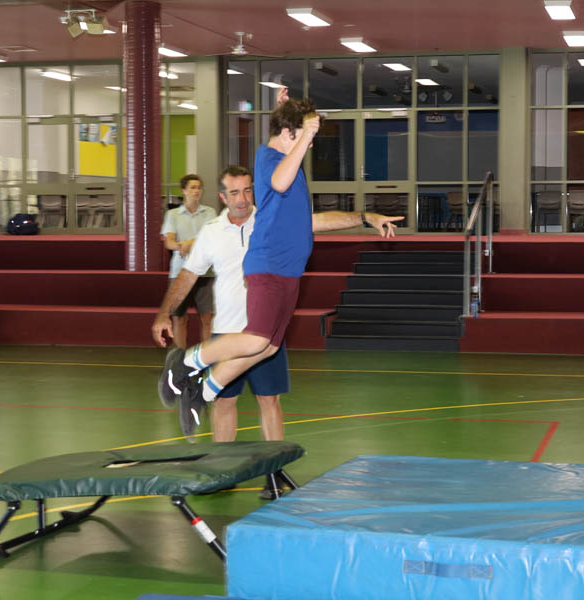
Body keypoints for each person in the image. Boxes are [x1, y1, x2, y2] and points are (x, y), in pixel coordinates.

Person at [160, 98, 403, 432]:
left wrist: (366, 217)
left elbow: (311, 218)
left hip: (289, 272)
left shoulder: (287, 163)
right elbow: (278, 181)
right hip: (270, 266)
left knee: (268, 347)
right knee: (256, 341)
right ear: (289, 134)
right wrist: (302, 133)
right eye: (306, 137)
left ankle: (202, 392)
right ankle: (185, 362)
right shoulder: (269, 158)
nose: (310, 145)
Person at [154, 166, 290, 498]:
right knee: (224, 401)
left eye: (247, 190)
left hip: (265, 330)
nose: (242, 199)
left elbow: (314, 223)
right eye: (234, 192)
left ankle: (274, 474)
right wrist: (163, 314)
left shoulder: (269, 221)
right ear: (222, 197)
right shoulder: (212, 231)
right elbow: (188, 276)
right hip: (227, 333)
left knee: (269, 400)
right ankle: (223, 472)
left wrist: (364, 217)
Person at [160, 174, 217, 348]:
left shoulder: (210, 212)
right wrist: (181, 246)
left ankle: (207, 357)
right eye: (193, 187)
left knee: (207, 317)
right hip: (179, 272)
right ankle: (179, 358)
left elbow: (209, 238)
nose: (197, 191)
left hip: (205, 272)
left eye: (199, 187)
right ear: (184, 191)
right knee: (179, 318)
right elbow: (169, 242)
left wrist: (188, 244)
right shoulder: (172, 214)